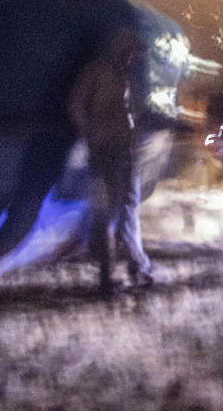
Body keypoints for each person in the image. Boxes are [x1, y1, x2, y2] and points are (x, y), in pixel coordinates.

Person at [69, 28, 153, 298]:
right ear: (120, 49)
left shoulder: (122, 75)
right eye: (131, 52)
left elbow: (135, 111)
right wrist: (90, 134)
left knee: (125, 210)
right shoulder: (97, 73)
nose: (133, 58)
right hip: (105, 153)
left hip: (122, 153)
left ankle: (135, 268)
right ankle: (109, 279)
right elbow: (75, 106)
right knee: (108, 214)